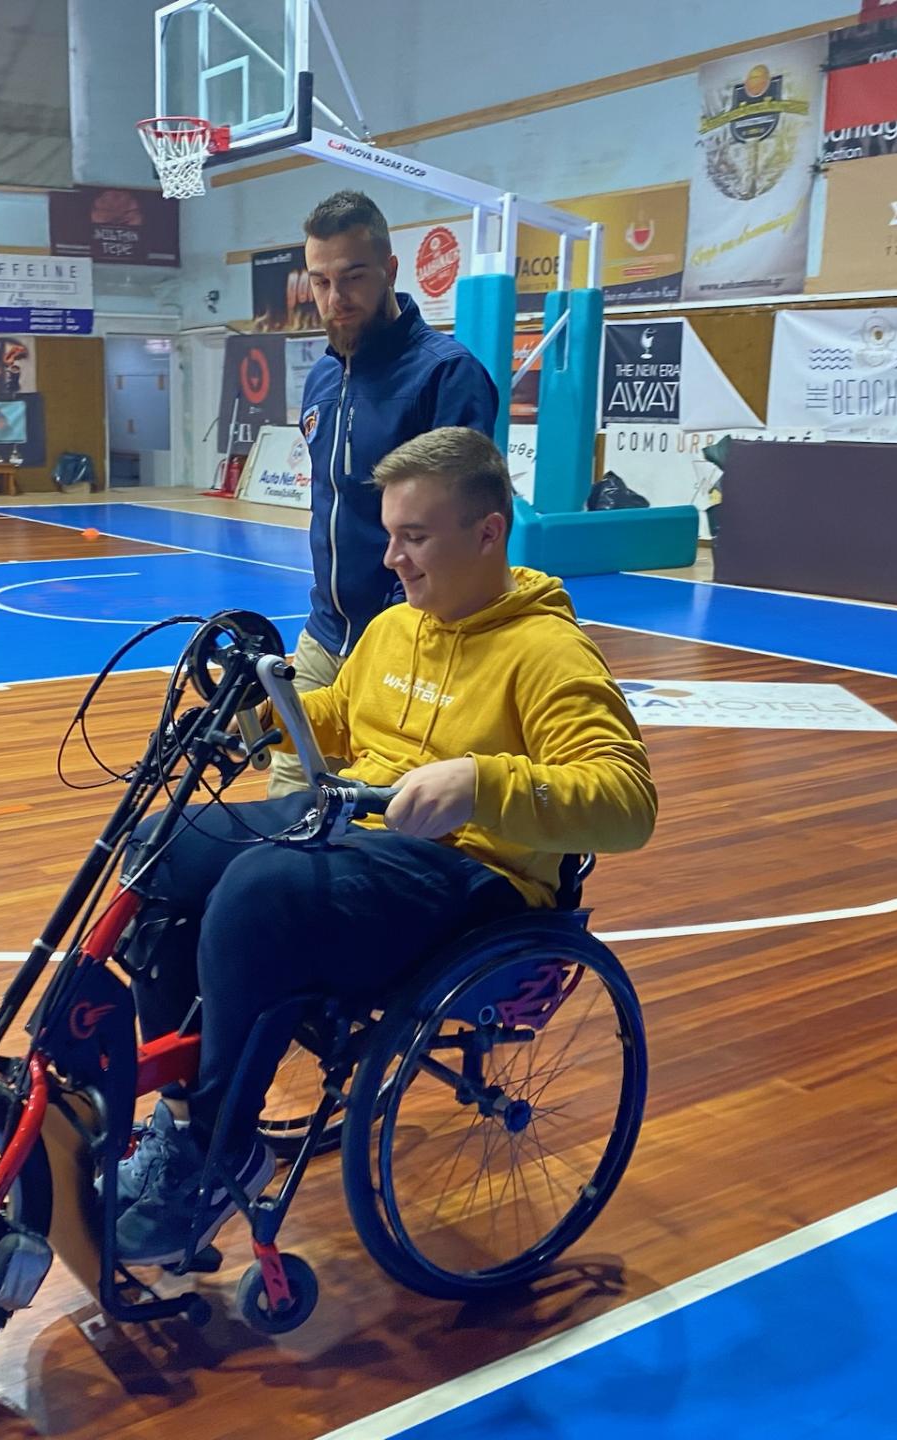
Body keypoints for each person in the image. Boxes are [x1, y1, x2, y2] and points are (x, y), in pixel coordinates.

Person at [112, 428, 656, 1263]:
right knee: (163, 846)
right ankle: (181, 1117)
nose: (392, 559)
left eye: (415, 537)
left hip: (477, 874)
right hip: (371, 833)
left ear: (488, 531)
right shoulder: (397, 627)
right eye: (389, 535)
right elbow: (341, 719)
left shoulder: (548, 654)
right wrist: (253, 722)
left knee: (262, 892)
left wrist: (482, 780)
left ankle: (224, 1152)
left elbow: (628, 803)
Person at [270, 190, 501, 799]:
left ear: (391, 272)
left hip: (410, 640)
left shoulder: (446, 375)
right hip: (325, 635)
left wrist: (410, 625)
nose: (335, 299)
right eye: (319, 282)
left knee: (382, 820)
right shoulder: (322, 377)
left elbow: (462, 526)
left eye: (353, 277)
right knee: (287, 805)